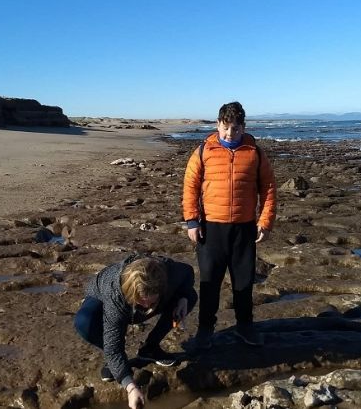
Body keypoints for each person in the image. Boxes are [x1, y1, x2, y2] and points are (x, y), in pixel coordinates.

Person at [182, 101, 277, 349]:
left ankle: (245, 326)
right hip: (211, 228)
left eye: (235, 129)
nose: (229, 133)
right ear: (218, 125)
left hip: (244, 229)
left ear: (243, 127)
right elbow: (190, 187)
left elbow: (268, 189)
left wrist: (265, 222)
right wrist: (192, 221)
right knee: (209, 282)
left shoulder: (255, 152)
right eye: (225, 128)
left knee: (244, 283)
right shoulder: (204, 150)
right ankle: (205, 329)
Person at [74, 253, 197, 409]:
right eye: (142, 302)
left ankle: (150, 349)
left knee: (191, 296)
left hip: (145, 296)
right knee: (84, 322)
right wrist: (130, 386)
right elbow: (113, 347)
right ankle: (117, 365)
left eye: (150, 302)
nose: (146, 307)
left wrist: (183, 297)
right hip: (102, 298)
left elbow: (188, 272)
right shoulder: (115, 295)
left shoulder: (170, 272)